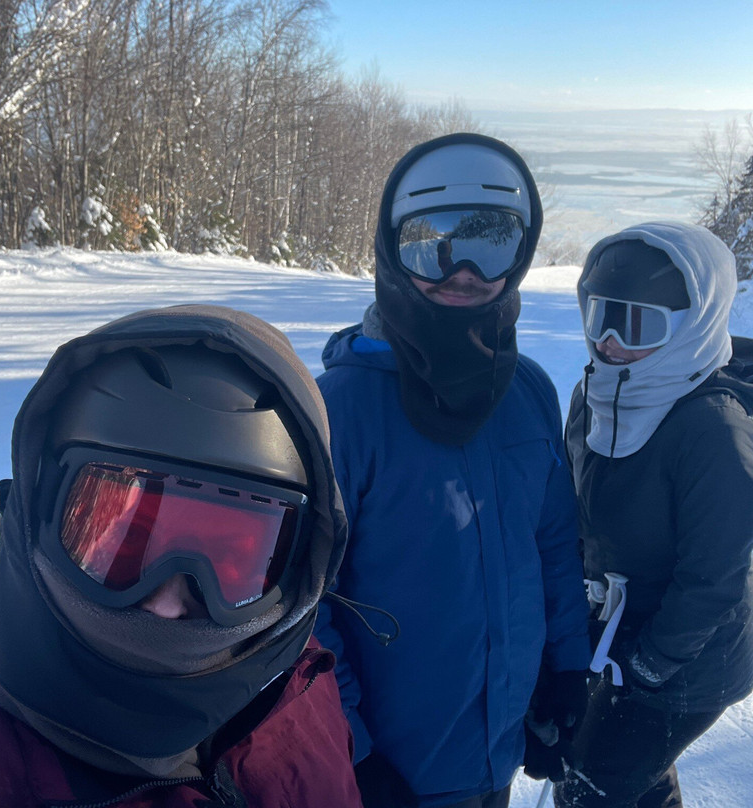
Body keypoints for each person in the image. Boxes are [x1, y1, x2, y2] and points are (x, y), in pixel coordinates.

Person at [0, 304, 363, 808]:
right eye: (123, 542)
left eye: (231, 559)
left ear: (297, 571)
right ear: (37, 515)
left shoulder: (300, 688)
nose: (166, 605)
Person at [314, 132, 592, 808]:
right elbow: (302, 605)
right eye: (431, 243)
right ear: (392, 249)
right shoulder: (340, 409)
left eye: (491, 241)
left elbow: (551, 546)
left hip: (494, 756)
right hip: (388, 773)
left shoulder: (527, 392)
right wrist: (351, 751)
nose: (462, 271)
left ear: (521, 254)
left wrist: (567, 670)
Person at [557, 222, 753, 807]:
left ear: (693, 326)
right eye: (599, 314)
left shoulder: (713, 429)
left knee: (590, 787)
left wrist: (653, 663)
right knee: (635, 778)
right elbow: (576, 511)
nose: (608, 340)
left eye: (635, 324)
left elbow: (714, 578)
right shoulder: (596, 395)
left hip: (690, 662)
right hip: (623, 640)